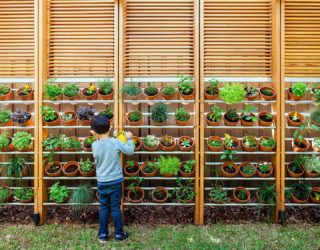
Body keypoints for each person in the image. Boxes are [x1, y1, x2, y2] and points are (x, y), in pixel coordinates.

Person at [90, 114, 134, 243]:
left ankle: (103, 235)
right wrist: (128, 138)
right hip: (115, 181)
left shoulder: (94, 145)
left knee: (104, 207)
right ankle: (119, 234)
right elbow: (130, 151)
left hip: (102, 181)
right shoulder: (115, 142)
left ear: (93, 131)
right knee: (115, 207)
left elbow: (103, 143)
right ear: (109, 129)